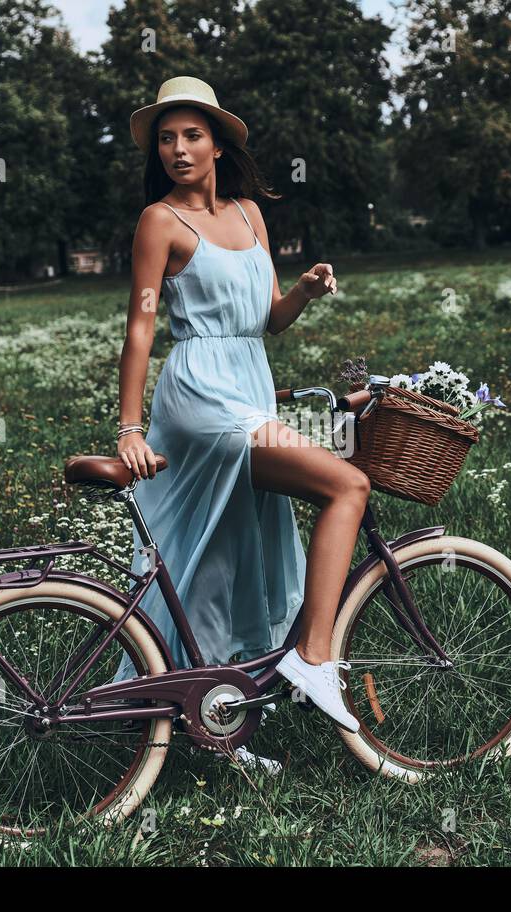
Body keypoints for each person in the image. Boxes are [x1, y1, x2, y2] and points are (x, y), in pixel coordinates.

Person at [114, 77, 370, 764]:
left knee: (218, 560)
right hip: (200, 396)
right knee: (345, 485)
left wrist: (305, 294)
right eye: (166, 138)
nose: (177, 149)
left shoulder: (253, 215)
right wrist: (129, 428)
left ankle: (210, 726)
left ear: (219, 144)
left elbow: (267, 319)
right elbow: (140, 331)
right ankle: (314, 658)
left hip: (249, 385)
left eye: (191, 135)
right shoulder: (159, 221)